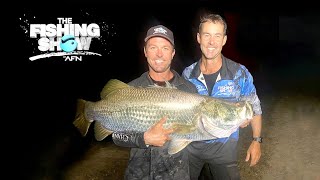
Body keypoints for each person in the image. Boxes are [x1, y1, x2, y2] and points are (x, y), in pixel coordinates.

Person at [182, 13, 263, 180]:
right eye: (207, 35)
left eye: (217, 36)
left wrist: (256, 141)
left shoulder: (239, 73)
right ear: (198, 38)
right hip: (191, 149)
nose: (212, 42)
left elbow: (255, 108)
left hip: (224, 151)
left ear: (224, 40)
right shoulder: (188, 74)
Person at [111, 24, 198, 180]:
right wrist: (143, 139)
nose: (159, 54)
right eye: (153, 47)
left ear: (173, 53)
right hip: (138, 174)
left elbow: (201, 129)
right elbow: (116, 136)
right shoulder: (131, 89)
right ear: (145, 52)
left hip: (176, 174)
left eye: (165, 48)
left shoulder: (189, 90)